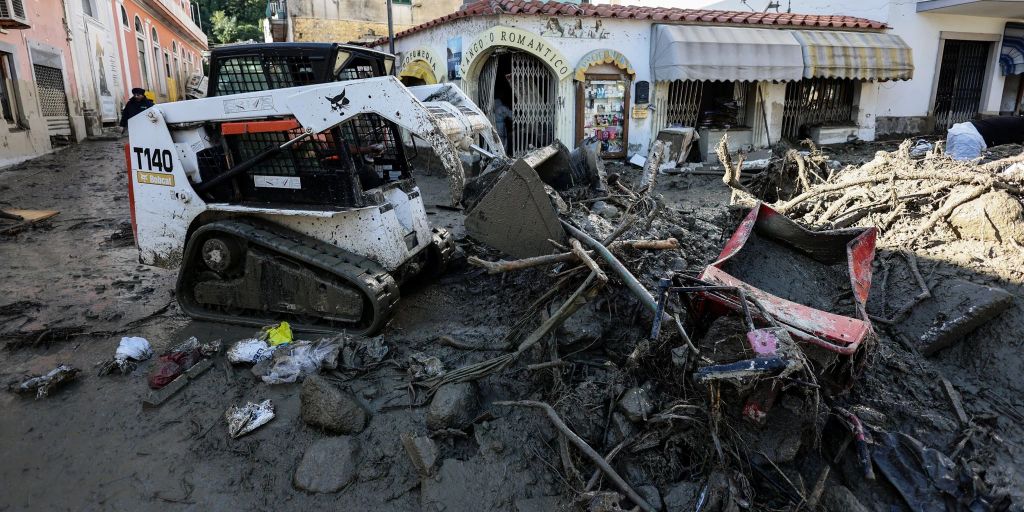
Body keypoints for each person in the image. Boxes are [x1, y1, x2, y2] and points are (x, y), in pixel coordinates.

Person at [946, 116, 1024, 160]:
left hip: (959, 131)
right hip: (970, 138)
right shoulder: (1020, 123)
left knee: (951, 162)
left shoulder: (1017, 121)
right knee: (965, 169)